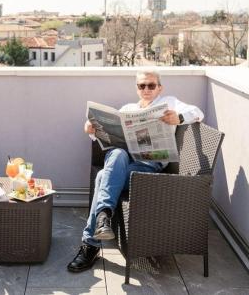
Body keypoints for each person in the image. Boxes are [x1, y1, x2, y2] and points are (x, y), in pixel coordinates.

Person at [67, 70, 203, 272]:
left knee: (103, 176)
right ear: (136, 88)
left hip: (148, 168)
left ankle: (91, 242)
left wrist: (179, 118)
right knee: (117, 155)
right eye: (142, 86)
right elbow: (107, 139)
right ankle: (102, 217)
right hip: (123, 164)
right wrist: (92, 131)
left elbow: (198, 113)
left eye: (151, 85)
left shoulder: (170, 102)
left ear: (159, 87)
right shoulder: (128, 109)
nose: (146, 89)